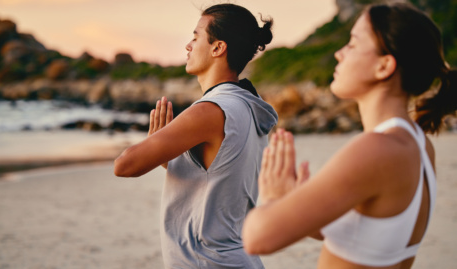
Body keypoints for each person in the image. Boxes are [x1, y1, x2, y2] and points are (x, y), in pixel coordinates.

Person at [242, 2, 457, 269]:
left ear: (384, 66)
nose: (339, 54)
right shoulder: (418, 142)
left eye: (353, 44)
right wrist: (298, 206)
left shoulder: (377, 149)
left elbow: (256, 238)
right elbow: (367, 237)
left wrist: (274, 199)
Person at [114, 3, 277, 268]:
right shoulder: (247, 106)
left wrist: (153, 143)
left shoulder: (209, 110)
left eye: (196, 36)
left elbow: (124, 165)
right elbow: (214, 173)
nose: (188, 46)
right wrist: (166, 155)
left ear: (217, 48)